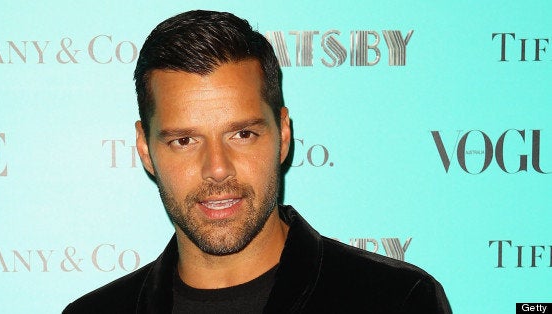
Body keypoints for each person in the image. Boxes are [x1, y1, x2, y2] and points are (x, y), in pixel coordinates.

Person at [64, 10, 451, 313]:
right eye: (184, 140)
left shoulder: (395, 301)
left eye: (242, 134)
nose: (217, 167)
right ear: (146, 149)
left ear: (283, 135)